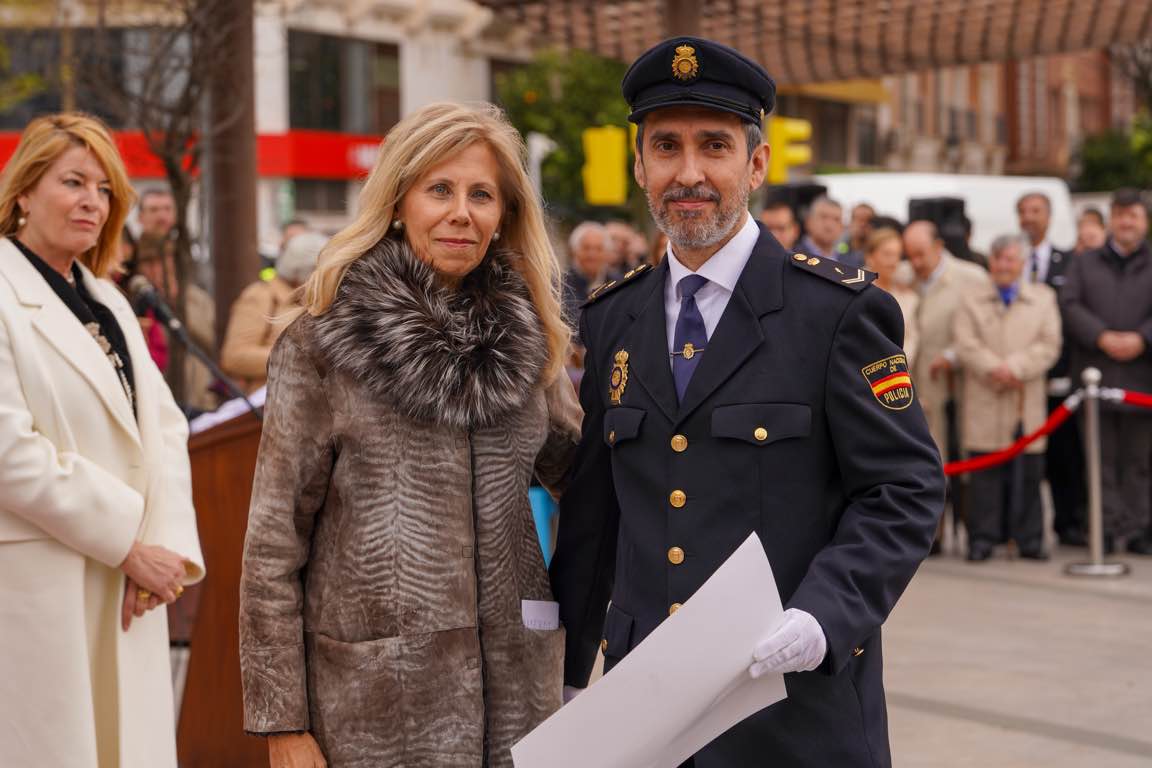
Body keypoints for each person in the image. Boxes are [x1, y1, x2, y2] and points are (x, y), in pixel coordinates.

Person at [550, 37, 944, 767]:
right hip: (648, 717)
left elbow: (904, 488)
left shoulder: (835, 312)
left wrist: (827, 613)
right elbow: (596, 516)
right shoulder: (613, 318)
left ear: (756, 164)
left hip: (793, 710)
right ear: (640, 166)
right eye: (666, 146)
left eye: (715, 146)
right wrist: (571, 670)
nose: (689, 172)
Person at [239, 102, 582, 768]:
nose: (462, 212)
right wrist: (281, 723)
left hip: (520, 700)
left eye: (481, 194)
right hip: (374, 708)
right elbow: (272, 547)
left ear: (505, 215)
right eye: (440, 190)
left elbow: (588, 475)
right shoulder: (324, 343)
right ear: (398, 203)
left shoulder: (530, 342)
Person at [0, 113, 204, 767]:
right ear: (24, 192)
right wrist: (126, 543)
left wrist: (163, 547)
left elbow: (165, 427)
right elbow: (9, 450)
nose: (93, 200)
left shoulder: (107, 299)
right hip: (42, 583)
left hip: (127, 585)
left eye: (105, 188)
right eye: (73, 182)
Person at [953, 235, 1061, 561]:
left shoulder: (1043, 299)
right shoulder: (971, 299)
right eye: (998, 259)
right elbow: (965, 343)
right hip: (985, 395)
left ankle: (1029, 539)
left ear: (1023, 264)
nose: (1003, 265)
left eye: (1010, 259)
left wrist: (1015, 367)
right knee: (984, 474)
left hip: (1023, 398)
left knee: (1029, 472)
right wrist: (993, 368)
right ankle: (982, 539)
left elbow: (1049, 344)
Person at [1062, 188, 1152, 555]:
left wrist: (1142, 339)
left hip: (1142, 379)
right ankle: (1106, 529)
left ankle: (1138, 529)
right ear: (1111, 219)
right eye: (1120, 214)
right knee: (1100, 461)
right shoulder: (1084, 263)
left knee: (1138, 462)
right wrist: (1100, 336)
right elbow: (1069, 304)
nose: (1126, 222)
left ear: (1144, 221)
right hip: (1094, 376)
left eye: (1133, 215)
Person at [1017, 191, 1085, 545]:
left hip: (1059, 375)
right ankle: (1023, 530)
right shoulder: (1008, 260)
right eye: (1024, 211)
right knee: (1024, 458)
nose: (1029, 217)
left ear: (1050, 215)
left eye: (1036, 211)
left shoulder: (1071, 261)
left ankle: (1069, 523)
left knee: (1064, 456)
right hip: (1019, 378)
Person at [902, 219, 989, 458]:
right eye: (910, 256)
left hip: (959, 382)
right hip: (917, 386)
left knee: (961, 453)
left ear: (938, 246)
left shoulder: (973, 277)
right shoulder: (903, 275)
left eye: (921, 254)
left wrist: (953, 355)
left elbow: (986, 330)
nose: (916, 263)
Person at [220, 230, 326, 393]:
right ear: (301, 272)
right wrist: (300, 358)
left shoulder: (314, 300)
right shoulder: (260, 296)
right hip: (266, 406)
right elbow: (234, 357)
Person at [133, 232, 218, 412]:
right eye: (149, 263)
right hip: (158, 401)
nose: (156, 269)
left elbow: (212, 342)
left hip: (198, 396)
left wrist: (175, 302)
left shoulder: (195, 298)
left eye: (162, 260)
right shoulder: (133, 302)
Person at [864, 226, 919, 366]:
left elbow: (912, 339)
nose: (893, 262)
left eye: (897, 255)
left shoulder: (909, 298)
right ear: (870, 256)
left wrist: (896, 364)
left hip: (898, 376)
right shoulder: (854, 294)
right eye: (887, 254)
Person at [561, 220, 613, 329]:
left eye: (598, 249)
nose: (592, 255)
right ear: (575, 251)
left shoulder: (619, 282)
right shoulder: (561, 284)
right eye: (586, 248)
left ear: (607, 253)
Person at [797, 195, 852, 263]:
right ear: (808, 221)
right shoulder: (792, 257)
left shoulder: (852, 263)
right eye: (824, 217)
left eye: (836, 219)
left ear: (842, 227)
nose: (829, 225)